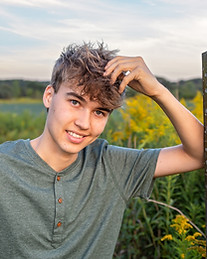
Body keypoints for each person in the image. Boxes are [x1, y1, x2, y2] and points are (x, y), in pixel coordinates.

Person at [0, 42, 203, 259]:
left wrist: (158, 91)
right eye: (75, 102)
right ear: (49, 96)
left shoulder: (112, 165)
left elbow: (198, 154)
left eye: (99, 112)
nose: (84, 123)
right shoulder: (4, 164)